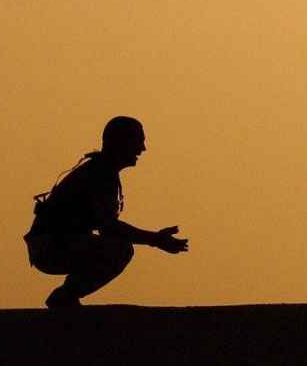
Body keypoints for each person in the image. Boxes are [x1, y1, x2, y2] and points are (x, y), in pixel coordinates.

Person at [24, 116, 189, 309]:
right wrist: (155, 239)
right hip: (51, 246)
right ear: (121, 142)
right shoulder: (99, 174)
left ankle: (66, 296)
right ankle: (65, 296)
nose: (143, 149)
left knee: (116, 248)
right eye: (139, 141)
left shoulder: (103, 172)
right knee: (119, 250)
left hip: (55, 244)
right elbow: (109, 227)